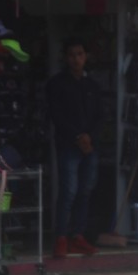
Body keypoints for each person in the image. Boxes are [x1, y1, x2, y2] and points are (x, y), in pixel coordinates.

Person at [45, 37, 103, 258]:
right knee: (68, 190)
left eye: (80, 54)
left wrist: (90, 137)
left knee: (85, 190)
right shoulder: (57, 84)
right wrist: (78, 136)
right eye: (72, 55)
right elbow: (56, 116)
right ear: (66, 58)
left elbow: (100, 116)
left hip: (90, 146)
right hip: (69, 144)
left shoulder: (92, 86)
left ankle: (77, 235)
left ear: (86, 56)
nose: (76, 59)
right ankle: (61, 236)